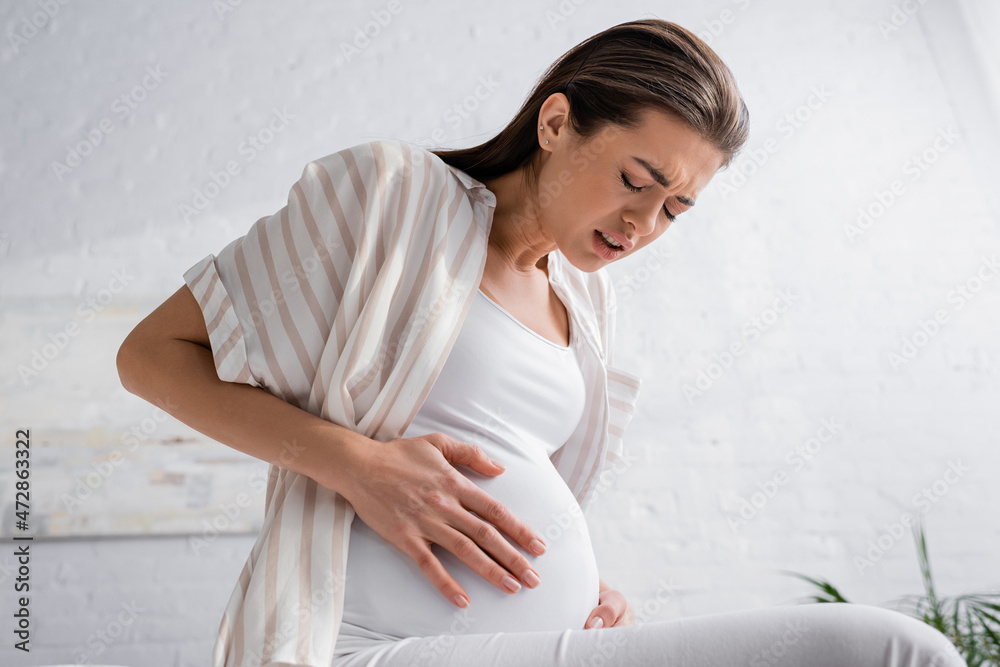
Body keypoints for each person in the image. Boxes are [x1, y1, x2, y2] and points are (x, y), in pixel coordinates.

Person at [117, 18, 968, 667]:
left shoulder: (584, 302)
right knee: (898, 652)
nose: (643, 223)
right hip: (364, 641)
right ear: (556, 123)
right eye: (638, 180)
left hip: (527, 641)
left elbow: (512, 481)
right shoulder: (394, 194)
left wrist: (578, 583)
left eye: (676, 210)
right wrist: (356, 464)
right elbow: (150, 355)